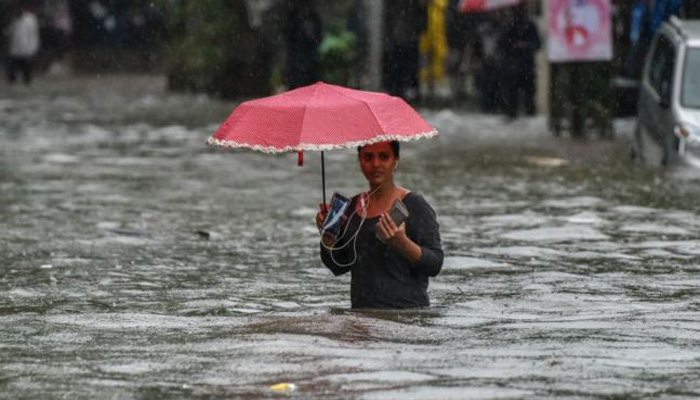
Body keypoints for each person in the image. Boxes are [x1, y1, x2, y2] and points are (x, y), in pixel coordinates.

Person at [315, 141, 443, 309]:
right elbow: (338, 267)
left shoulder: (414, 205)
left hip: (407, 316)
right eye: (368, 157)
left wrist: (402, 243)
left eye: (384, 157)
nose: (376, 164)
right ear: (360, 161)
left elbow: (435, 264)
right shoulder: (351, 207)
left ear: (395, 160)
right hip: (363, 318)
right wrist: (328, 239)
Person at [498, 5, 541, 118]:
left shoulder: (530, 25)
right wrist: (512, 45)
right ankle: (512, 113)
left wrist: (525, 46)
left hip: (526, 65)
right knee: (512, 94)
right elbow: (502, 45)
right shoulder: (507, 25)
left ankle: (529, 114)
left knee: (529, 94)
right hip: (512, 66)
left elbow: (537, 44)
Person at [284, 0, 323, 89]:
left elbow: (318, 37)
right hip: (296, 60)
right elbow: (288, 36)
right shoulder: (293, 16)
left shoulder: (313, 17)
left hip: (309, 60)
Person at [4, 4, 40, 85]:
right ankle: (12, 83)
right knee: (12, 70)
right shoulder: (14, 20)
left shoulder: (30, 20)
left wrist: (33, 49)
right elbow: (10, 32)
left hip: (26, 50)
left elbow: (33, 35)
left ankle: (27, 83)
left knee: (26, 70)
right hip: (14, 50)